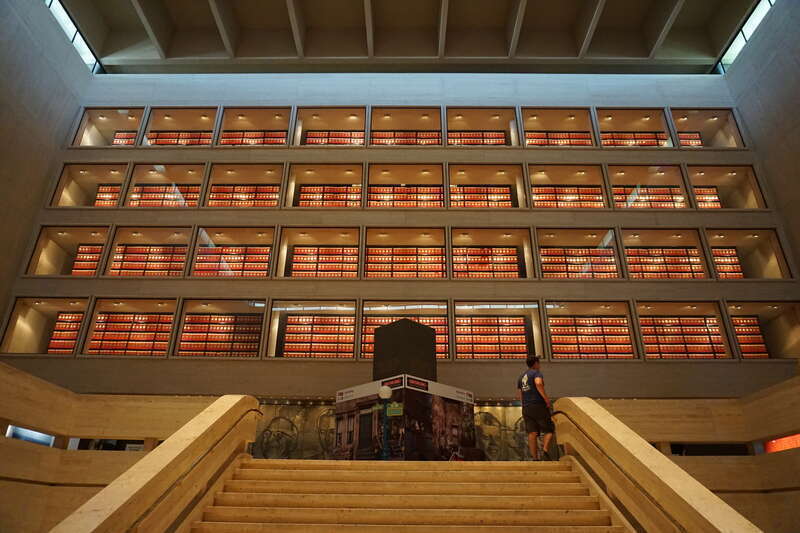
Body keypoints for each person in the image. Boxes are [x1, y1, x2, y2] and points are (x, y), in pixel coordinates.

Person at [516, 356, 554, 460]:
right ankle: (545, 451)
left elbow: (520, 394)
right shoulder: (536, 373)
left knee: (532, 432)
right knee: (549, 430)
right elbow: (538, 383)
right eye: (539, 363)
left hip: (527, 407)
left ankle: (535, 458)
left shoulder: (521, 377)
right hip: (538, 405)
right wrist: (546, 399)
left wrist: (524, 406)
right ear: (536, 364)